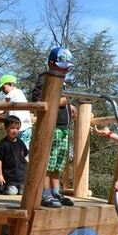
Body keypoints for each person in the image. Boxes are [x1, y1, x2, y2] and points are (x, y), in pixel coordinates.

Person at [31, 47, 76, 208]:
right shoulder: (46, 78)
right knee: (48, 162)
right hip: (51, 127)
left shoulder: (61, 82)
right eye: (62, 66)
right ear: (51, 64)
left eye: (67, 67)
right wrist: (59, 101)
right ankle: (45, 192)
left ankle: (55, 191)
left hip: (63, 129)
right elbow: (37, 99)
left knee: (57, 163)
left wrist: (70, 107)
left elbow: (61, 101)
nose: (65, 69)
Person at [0, 74, 33, 147]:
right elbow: (3, 111)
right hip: (25, 127)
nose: (2, 91)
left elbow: (1, 105)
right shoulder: (17, 96)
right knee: (23, 150)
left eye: (3, 88)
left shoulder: (14, 92)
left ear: (10, 84)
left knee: (17, 151)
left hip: (19, 128)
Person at [0, 115, 29, 195]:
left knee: (23, 192)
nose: (15, 131)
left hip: (21, 176)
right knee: (12, 192)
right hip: (10, 177)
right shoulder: (2, 144)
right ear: (6, 128)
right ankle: (0, 188)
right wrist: (0, 175)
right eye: (12, 128)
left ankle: (13, 187)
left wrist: (30, 167)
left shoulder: (20, 142)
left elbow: (25, 156)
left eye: (17, 128)